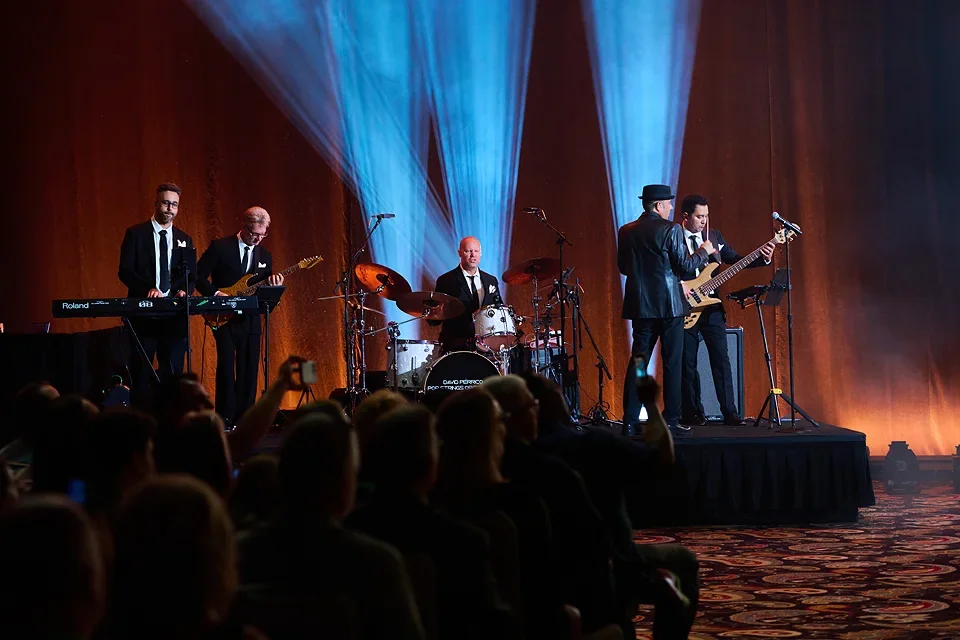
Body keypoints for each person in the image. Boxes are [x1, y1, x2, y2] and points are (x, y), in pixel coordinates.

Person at [618, 184, 715, 436]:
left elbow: (624, 268)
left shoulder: (626, 231)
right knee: (672, 363)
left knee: (639, 363)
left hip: (640, 307)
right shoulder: (671, 230)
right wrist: (703, 252)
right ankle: (671, 421)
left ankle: (629, 421)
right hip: (669, 307)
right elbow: (684, 268)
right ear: (659, 206)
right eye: (668, 204)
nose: (671, 207)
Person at [678, 194, 775, 426]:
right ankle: (693, 412)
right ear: (686, 216)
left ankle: (730, 412)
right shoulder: (673, 237)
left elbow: (735, 259)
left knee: (722, 359)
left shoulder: (714, 236)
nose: (704, 221)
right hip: (684, 308)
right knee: (686, 363)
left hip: (711, 307)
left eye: (706, 216)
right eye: (699, 216)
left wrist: (763, 260)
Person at [196, 207, 284, 425]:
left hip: (251, 319)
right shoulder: (221, 247)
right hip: (223, 317)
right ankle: (225, 417)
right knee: (226, 365)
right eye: (254, 234)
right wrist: (216, 294)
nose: (257, 239)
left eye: (262, 235)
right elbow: (197, 276)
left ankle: (247, 418)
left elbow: (263, 293)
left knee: (249, 367)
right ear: (243, 227)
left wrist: (274, 287)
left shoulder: (265, 255)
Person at [118, 182, 196, 404]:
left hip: (173, 318)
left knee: (173, 375)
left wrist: (184, 290)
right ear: (156, 203)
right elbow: (125, 271)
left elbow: (190, 276)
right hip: (144, 317)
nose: (170, 209)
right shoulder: (136, 234)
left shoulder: (185, 239)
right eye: (166, 203)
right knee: (141, 372)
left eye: (174, 205)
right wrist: (147, 289)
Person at [429, 236, 504, 353]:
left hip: (485, 346)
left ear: (481, 253)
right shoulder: (446, 280)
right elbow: (434, 318)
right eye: (468, 251)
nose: (473, 255)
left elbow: (498, 309)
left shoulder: (491, 280)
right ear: (459, 253)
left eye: (476, 251)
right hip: (456, 345)